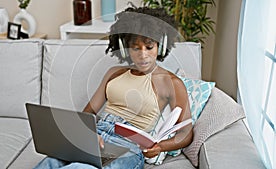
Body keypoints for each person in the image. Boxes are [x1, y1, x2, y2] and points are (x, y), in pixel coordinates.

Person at [34, 6, 193, 169]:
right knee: (50, 162)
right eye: (135, 48)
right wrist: (88, 134)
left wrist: (160, 147)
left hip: (128, 146)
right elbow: (88, 113)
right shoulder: (114, 73)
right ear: (125, 48)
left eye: (149, 47)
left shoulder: (171, 83)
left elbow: (186, 132)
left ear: (160, 45)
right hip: (98, 135)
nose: (143, 54)